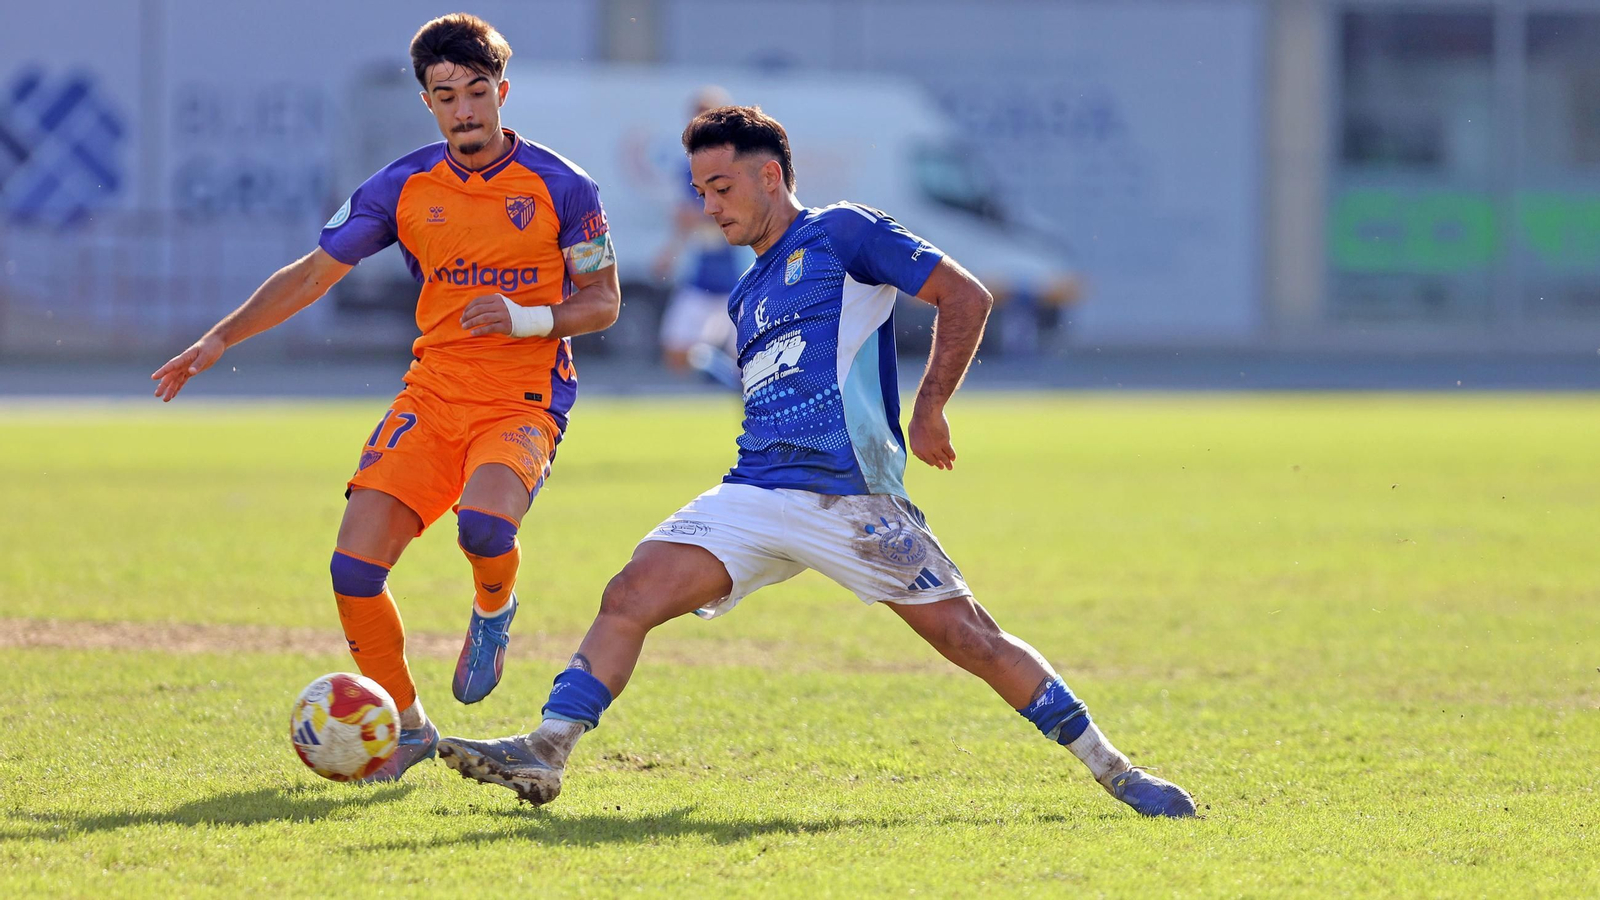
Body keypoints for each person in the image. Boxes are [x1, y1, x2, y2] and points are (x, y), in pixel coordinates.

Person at [437, 106, 1195, 818]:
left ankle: (1116, 769)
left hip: (850, 497)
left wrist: (929, 408)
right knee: (631, 590)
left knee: (969, 638)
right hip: (756, 490)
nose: (710, 206)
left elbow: (965, 297)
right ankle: (546, 749)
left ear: (771, 175)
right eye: (701, 191)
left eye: (722, 187)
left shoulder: (843, 232)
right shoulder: (747, 292)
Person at [149, 13, 620, 782]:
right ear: (428, 104)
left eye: (477, 91)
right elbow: (311, 275)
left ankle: (494, 611)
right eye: (446, 95)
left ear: (501, 92)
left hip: (522, 396)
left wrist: (528, 316)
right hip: (432, 395)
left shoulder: (564, 186)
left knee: (484, 525)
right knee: (353, 570)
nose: (465, 108)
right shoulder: (401, 187)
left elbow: (603, 302)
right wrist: (220, 339)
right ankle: (406, 726)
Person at [653, 87, 744, 386]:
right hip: (702, 275)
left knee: (749, 359)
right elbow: (685, 218)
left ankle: (734, 384)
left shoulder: (738, 164)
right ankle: (724, 380)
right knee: (676, 351)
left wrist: (702, 215)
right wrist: (670, 251)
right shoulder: (687, 168)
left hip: (738, 275)